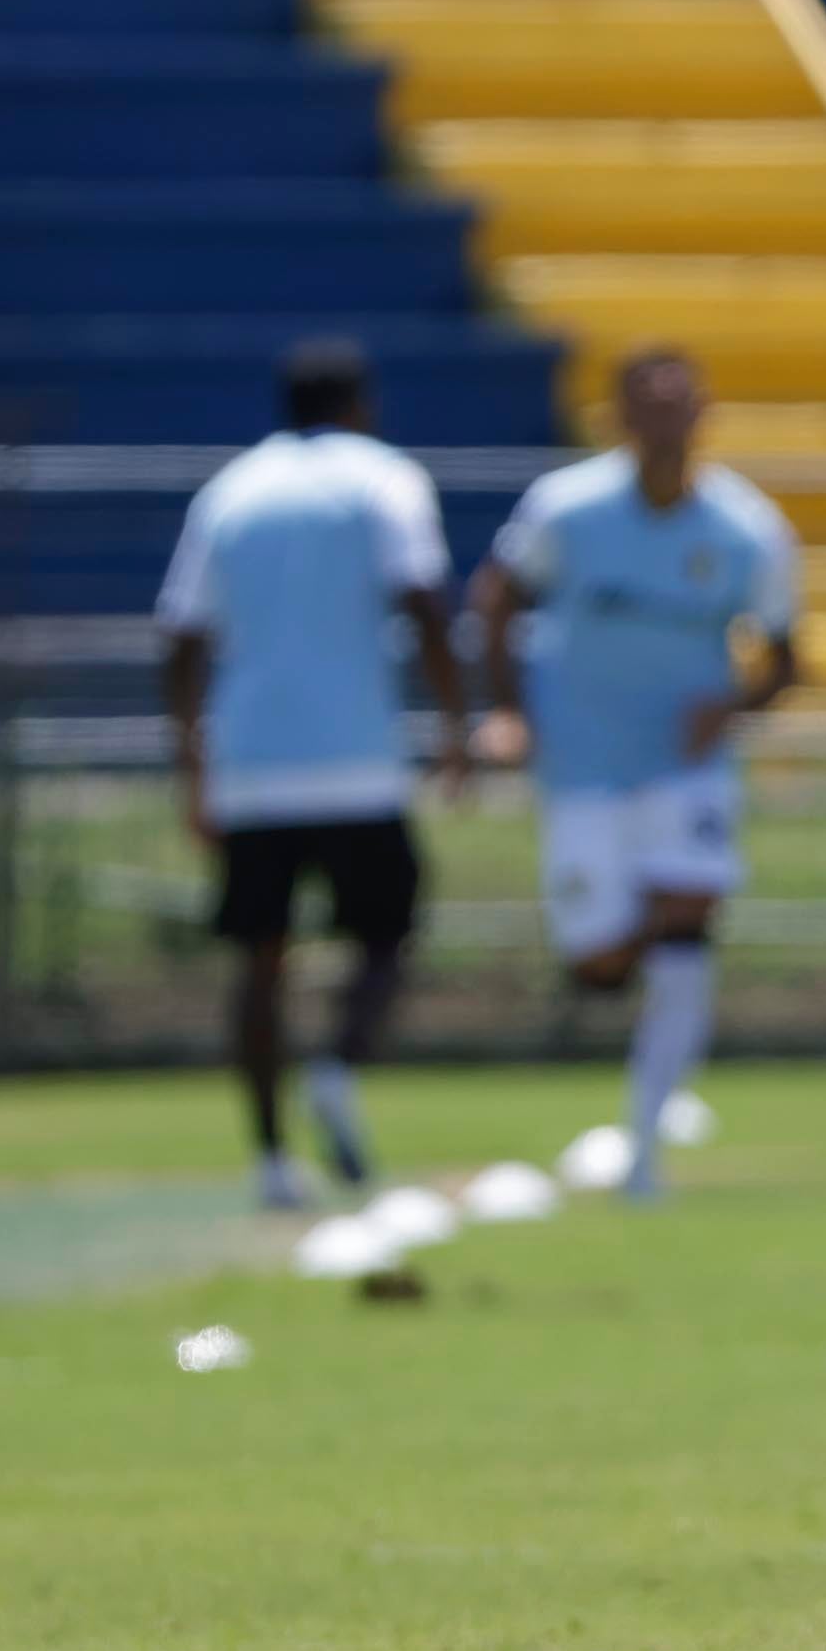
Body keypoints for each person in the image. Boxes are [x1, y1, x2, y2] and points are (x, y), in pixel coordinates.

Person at [470, 347, 802, 1202]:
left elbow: (786, 656)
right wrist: (505, 711)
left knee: (687, 931)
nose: (665, 422)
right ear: (619, 417)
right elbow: (495, 598)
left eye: (680, 405)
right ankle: (646, 964)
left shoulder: (746, 529)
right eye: (647, 406)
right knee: (601, 965)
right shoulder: (566, 509)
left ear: (703, 414)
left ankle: (645, 1151)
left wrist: (729, 710)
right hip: (582, 769)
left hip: (684, 773)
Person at [153, 338, 467, 1208]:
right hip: (359, 759)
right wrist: (454, 725)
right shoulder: (385, 480)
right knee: (386, 936)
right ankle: (335, 1067)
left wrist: (193, 766)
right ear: (360, 404)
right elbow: (423, 600)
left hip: (250, 764)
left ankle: (270, 1160)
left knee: (259, 962)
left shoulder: (231, 492)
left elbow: (181, 638)